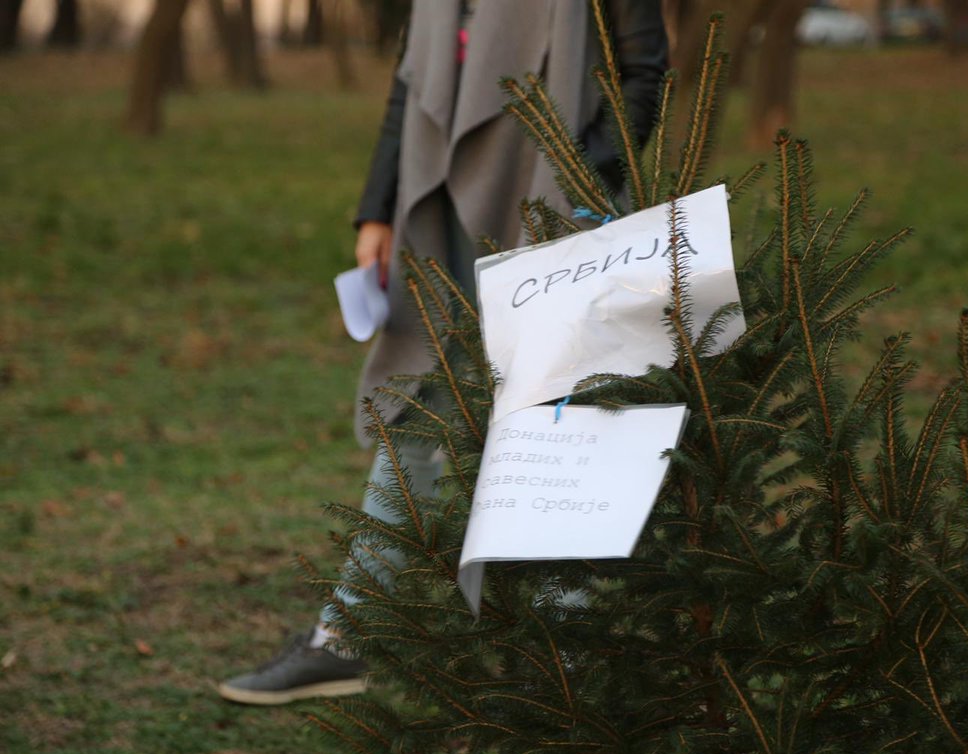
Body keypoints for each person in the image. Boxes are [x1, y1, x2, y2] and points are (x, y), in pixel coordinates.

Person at [217, 0, 668, 705]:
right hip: (436, 208)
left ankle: (569, 664)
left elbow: (645, 74)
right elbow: (411, 82)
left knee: (556, 417)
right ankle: (350, 636)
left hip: (554, 208)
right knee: (422, 404)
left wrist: (578, 186)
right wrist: (376, 206)